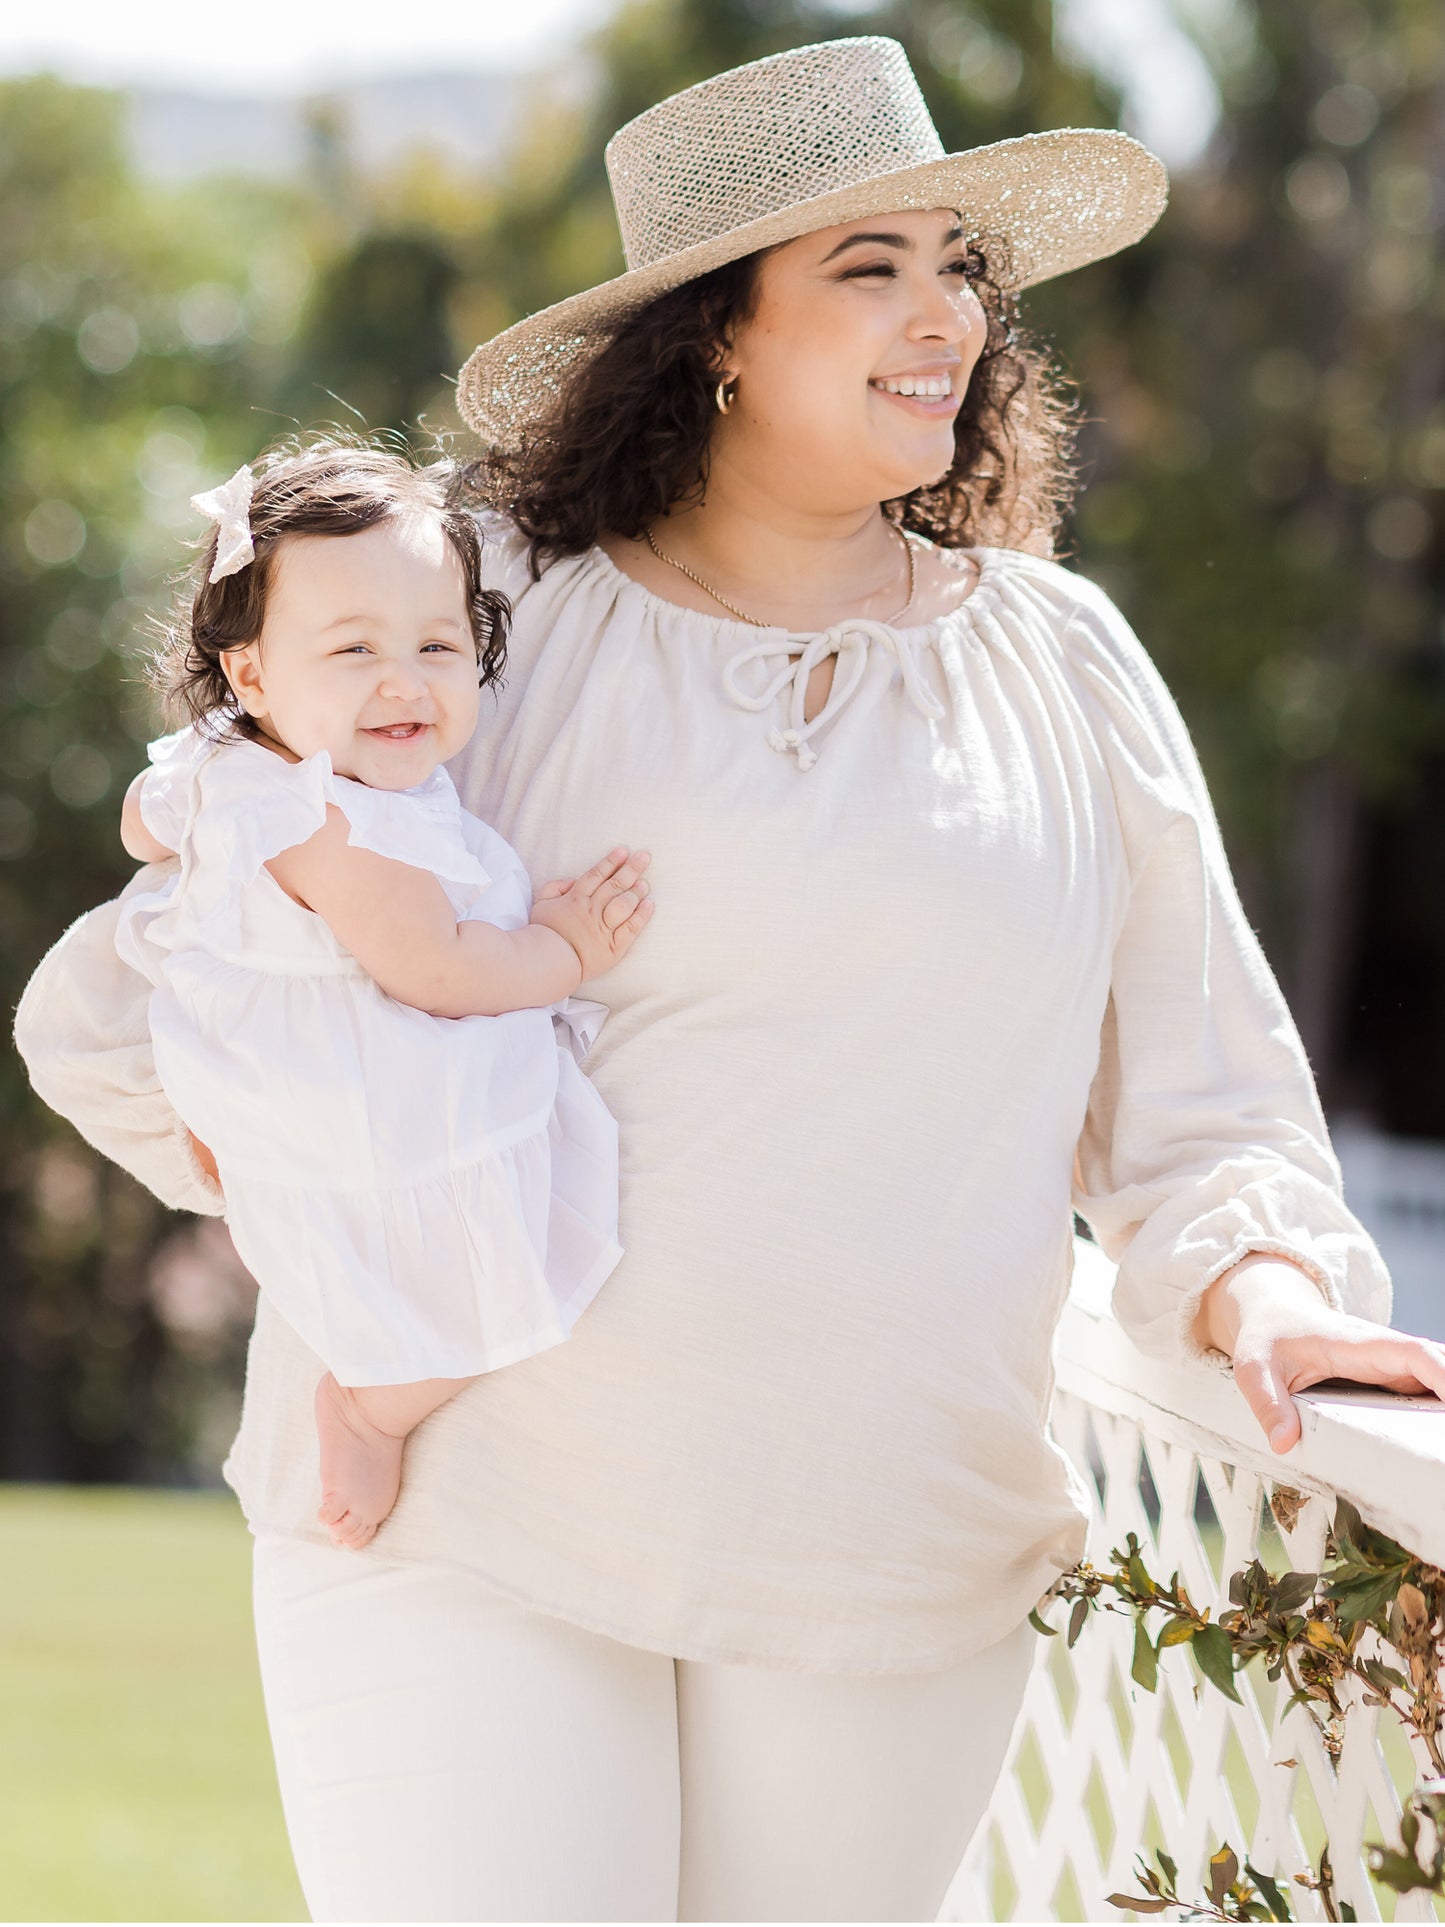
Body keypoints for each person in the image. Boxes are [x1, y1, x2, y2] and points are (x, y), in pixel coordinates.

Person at [17, 35, 1445, 1926]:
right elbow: (158, 998)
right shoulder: (492, 613)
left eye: (960, 268)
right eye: (873, 271)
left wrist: (1263, 1290)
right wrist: (368, 1201)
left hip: (892, 1558)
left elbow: (1201, 1095)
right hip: (467, 1518)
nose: (947, 314)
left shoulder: (1066, 665)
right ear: (715, 336)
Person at [113, 438, 653, 1549]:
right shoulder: (334, 823)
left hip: (288, 1088)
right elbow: (440, 972)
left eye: (437, 644)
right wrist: (565, 946)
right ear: (252, 671)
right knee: (522, 1274)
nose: (403, 680)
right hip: (370, 1113)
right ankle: (371, 1404)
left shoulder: (233, 766)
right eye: (353, 649)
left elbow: (140, 816)